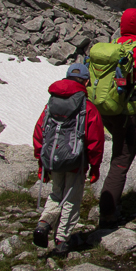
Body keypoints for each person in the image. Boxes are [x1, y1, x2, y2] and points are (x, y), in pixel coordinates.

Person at [32, 63, 104, 256]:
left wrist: (41, 161)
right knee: (71, 199)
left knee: (56, 193)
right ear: (86, 82)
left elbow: (40, 132)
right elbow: (95, 140)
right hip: (75, 161)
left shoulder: (51, 104)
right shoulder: (86, 107)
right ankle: (62, 240)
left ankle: (44, 223)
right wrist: (95, 167)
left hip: (53, 158)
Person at [98, 7, 136, 227]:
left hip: (104, 108)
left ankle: (110, 198)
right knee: (123, 154)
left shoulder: (113, 46)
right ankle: (108, 211)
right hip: (124, 111)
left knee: (126, 146)